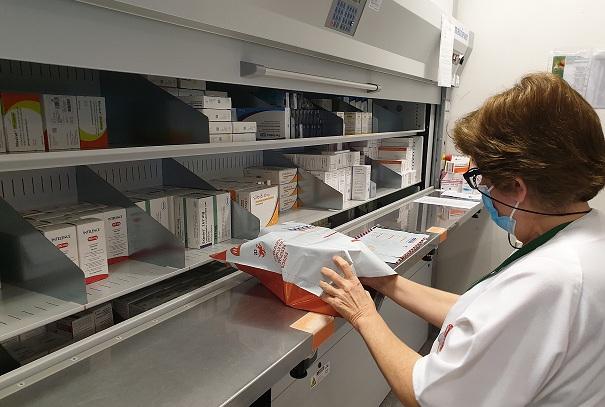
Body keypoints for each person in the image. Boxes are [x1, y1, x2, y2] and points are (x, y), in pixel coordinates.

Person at [320, 72, 605, 407]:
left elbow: (426, 395)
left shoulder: (550, 280)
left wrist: (364, 315)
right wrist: (387, 283)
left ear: (517, 188)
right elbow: (479, 317)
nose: (481, 187)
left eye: (481, 176)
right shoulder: (588, 235)